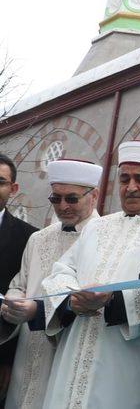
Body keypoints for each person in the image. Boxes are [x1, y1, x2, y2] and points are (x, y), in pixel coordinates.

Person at [40, 141, 140, 409]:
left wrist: (112, 302)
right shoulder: (96, 227)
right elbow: (61, 270)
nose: (130, 187)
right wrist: (71, 299)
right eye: (124, 178)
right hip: (74, 352)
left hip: (130, 361)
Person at [0, 159, 101, 409]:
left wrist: (40, 311)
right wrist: (13, 303)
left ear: (94, 196)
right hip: (26, 351)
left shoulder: (104, 237)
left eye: (72, 198)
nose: (63, 206)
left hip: (67, 352)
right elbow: (19, 282)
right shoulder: (38, 238)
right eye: (56, 199)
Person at [0, 153, 37, 407]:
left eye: (0, 181)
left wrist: (6, 361)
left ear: (13, 188)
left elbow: (23, 295)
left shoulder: (29, 239)